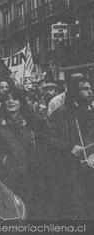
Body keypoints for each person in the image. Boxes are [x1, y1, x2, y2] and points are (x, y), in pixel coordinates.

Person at [0, 88, 47, 218]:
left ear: (21, 102)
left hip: (31, 174)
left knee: (32, 211)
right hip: (9, 176)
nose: (11, 101)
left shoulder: (30, 121)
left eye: (14, 98)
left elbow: (40, 146)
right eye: (7, 99)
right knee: (14, 213)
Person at [47, 74, 94, 220]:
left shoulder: (91, 112)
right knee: (77, 210)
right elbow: (48, 139)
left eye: (91, 88)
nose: (90, 92)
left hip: (91, 169)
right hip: (71, 172)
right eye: (85, 89)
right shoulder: (61, 114)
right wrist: (69, 148)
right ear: (74, 92)